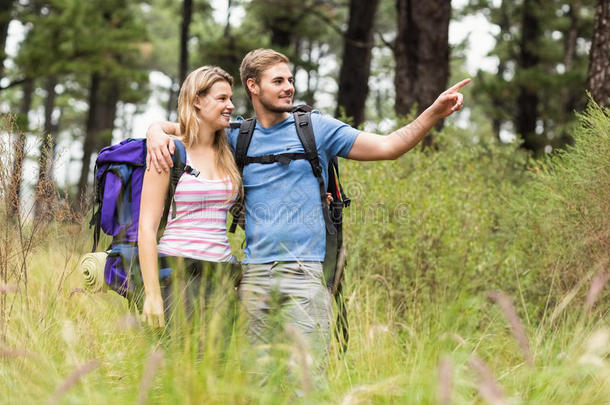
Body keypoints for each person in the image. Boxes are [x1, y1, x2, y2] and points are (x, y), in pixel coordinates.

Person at [145, 49, 469, 355]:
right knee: (253, 384)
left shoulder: (316, 129)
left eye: (290, 80)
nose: (289, 88)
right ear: (253, 86)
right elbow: (193, 128)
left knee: (306, 381)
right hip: (252, 279)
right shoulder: (236, 135)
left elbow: (388, 146)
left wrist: (433, 113)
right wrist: (155, 130)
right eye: (279, 81)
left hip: (305, 276)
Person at [138, 66, 241, 329]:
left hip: (222, 276)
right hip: (178, 274)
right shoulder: (168, 151)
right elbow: (147, 229)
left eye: (231, 98)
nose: (230, 105)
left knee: (220, 367)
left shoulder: (228, 152)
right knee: (178, 366)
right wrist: (152, 296)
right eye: (221, 99)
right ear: (197, 100)